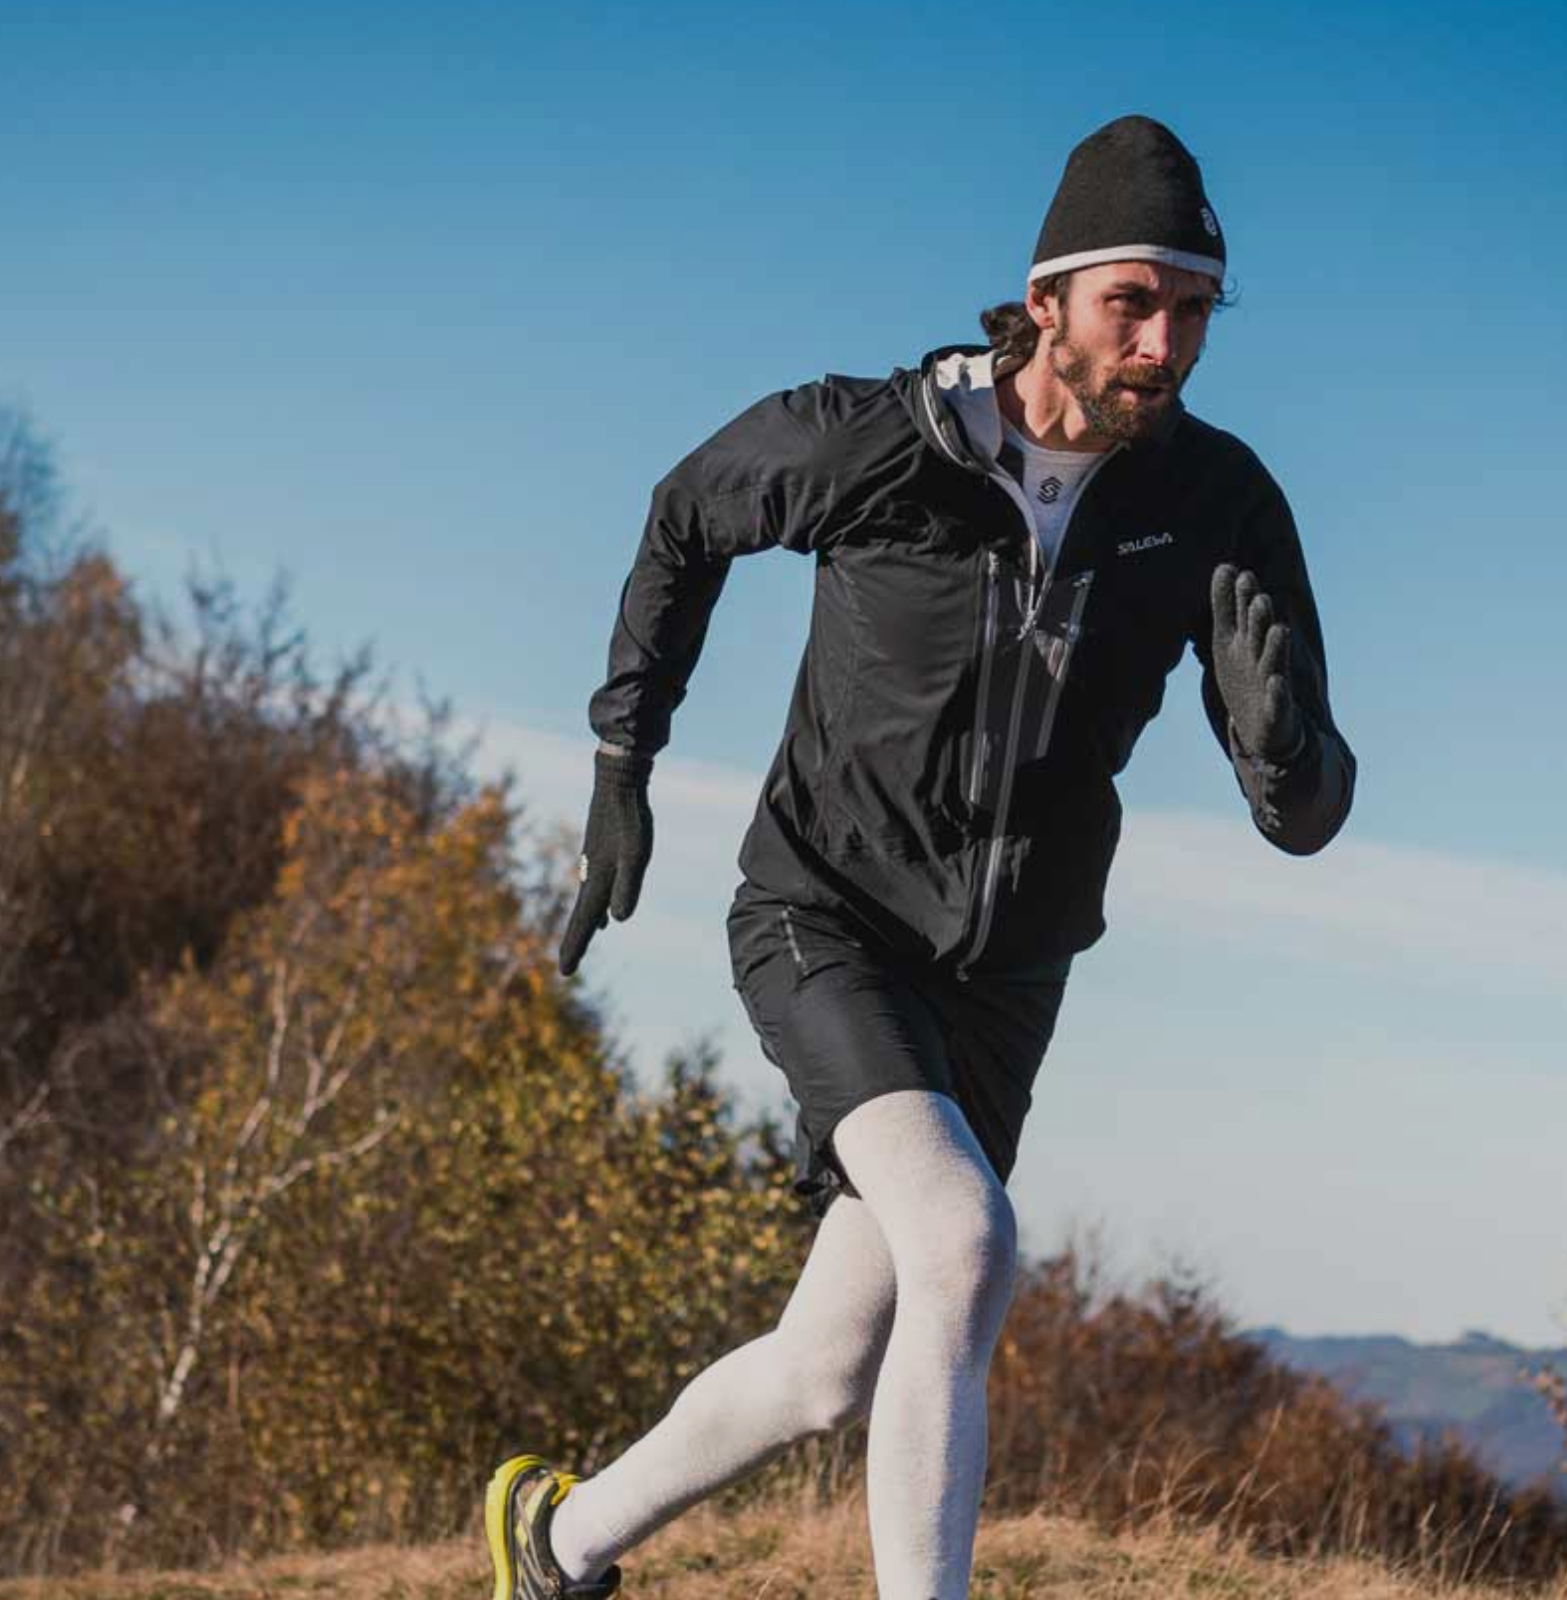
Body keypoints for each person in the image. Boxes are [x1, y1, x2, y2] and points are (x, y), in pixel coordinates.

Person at [486, 114, 1357, 1600]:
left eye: (1196, 309)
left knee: (834, 1366)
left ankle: (553, 1541)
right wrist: (624, 761)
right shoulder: (879, 440)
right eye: (1132, 302)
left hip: (1011, 972)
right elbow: (685, 515)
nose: (1164, 344)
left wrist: (1282, 750)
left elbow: (1307, 813)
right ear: (1046, 301)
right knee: (961, 1240)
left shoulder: (1217, 503)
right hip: (828, 917)